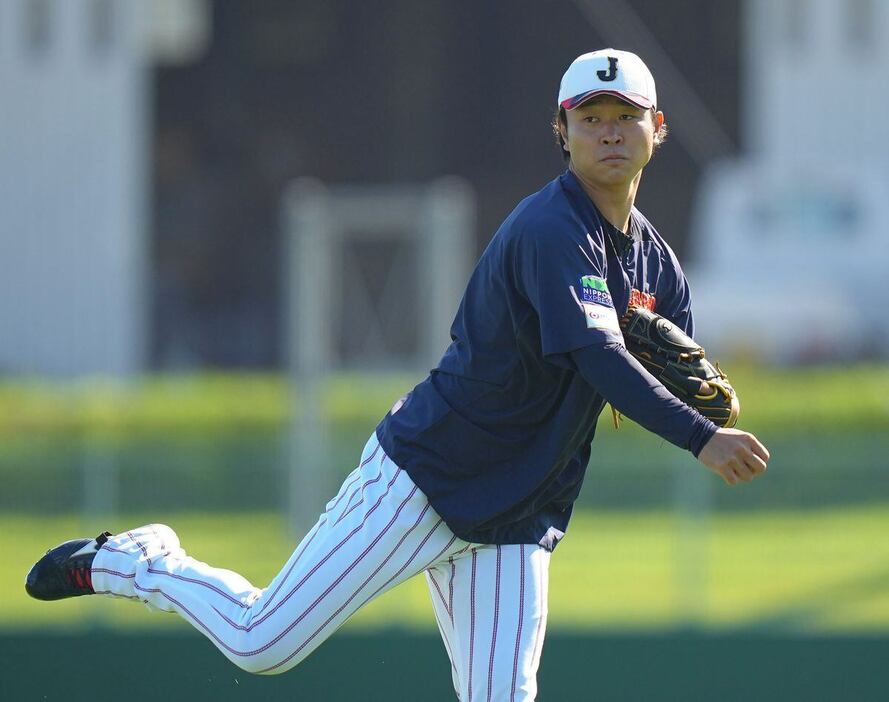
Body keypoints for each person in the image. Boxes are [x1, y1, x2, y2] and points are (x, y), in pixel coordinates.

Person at [25, 49, 769, 701]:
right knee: (261, 644)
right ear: (562, 131)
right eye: (591, 116)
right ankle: (139, 561)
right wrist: (700, 436)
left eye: (625, 116)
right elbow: (597, 357)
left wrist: (691, 398)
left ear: (657, 128)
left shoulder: (656, 265)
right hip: (428, 476)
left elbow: (661, 366)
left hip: (518, 515)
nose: (609, 131)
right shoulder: (553, 228)